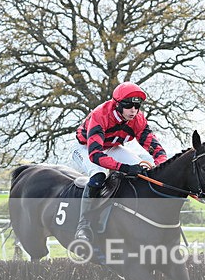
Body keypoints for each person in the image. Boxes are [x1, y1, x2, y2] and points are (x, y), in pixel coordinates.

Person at [71, 82, 168, 244]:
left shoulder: (138, 119)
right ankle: (83, 226)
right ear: (117, 105)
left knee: (143, 172)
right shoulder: (100, 115)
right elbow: (95, 155)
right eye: (129, 105)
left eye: (137, 106)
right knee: (98, 176)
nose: (134, 110)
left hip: (112, 147)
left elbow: (155, 147)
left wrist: (162, 165)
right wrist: (125, 168)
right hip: (85, 148)